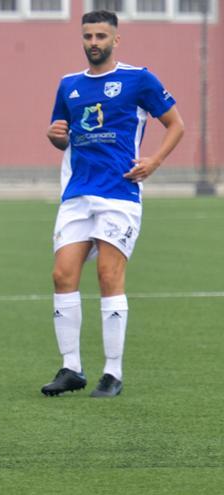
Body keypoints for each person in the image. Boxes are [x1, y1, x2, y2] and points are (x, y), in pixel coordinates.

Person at [41, 10, 184, 398]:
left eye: (101, 36)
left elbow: (176, 123)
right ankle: (71, 367)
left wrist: (153, 161)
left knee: (108, 274)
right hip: (76, 195)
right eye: (88, 36)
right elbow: (63, 135)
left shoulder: (138, 79)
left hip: (119, 195)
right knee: (62, 275)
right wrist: (55, 136)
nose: (93, 43)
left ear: (115, 40)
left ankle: (113, 373)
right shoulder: (68, 85)